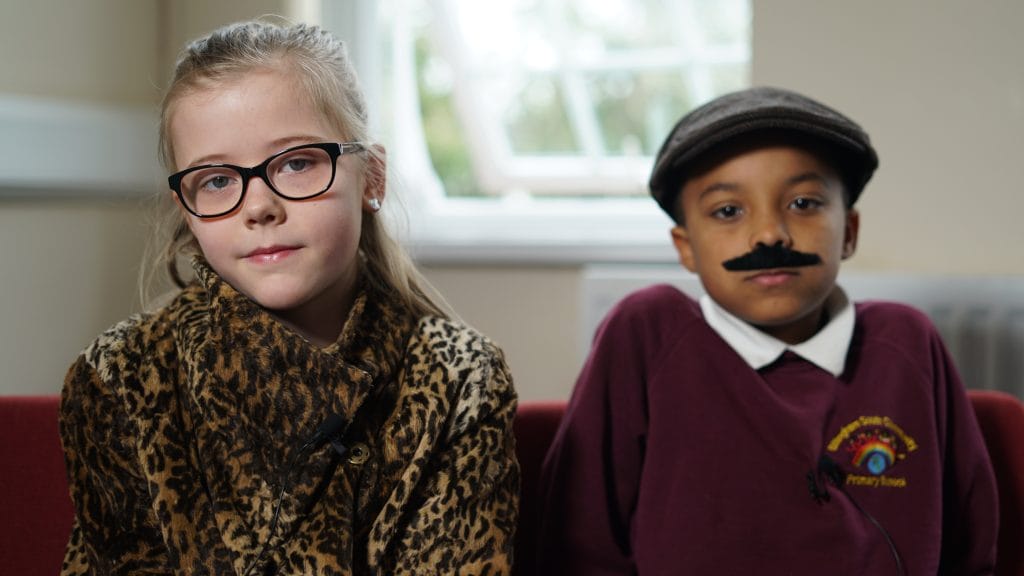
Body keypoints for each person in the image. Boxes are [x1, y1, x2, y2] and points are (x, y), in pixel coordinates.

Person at [59, 20, 519, 575]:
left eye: (298, 163)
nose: (258, 206)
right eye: (217, 180)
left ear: (371, 177)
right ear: (186, 208)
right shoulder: (120, 378)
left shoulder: (459, 377)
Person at [537, 86, 998, 575]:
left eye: (803, 202)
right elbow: (577, 544)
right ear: (686, 246)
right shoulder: (646, 335)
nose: (769, 234)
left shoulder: (905, 341)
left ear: (849, 231)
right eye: (728, 211)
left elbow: (971, 540)